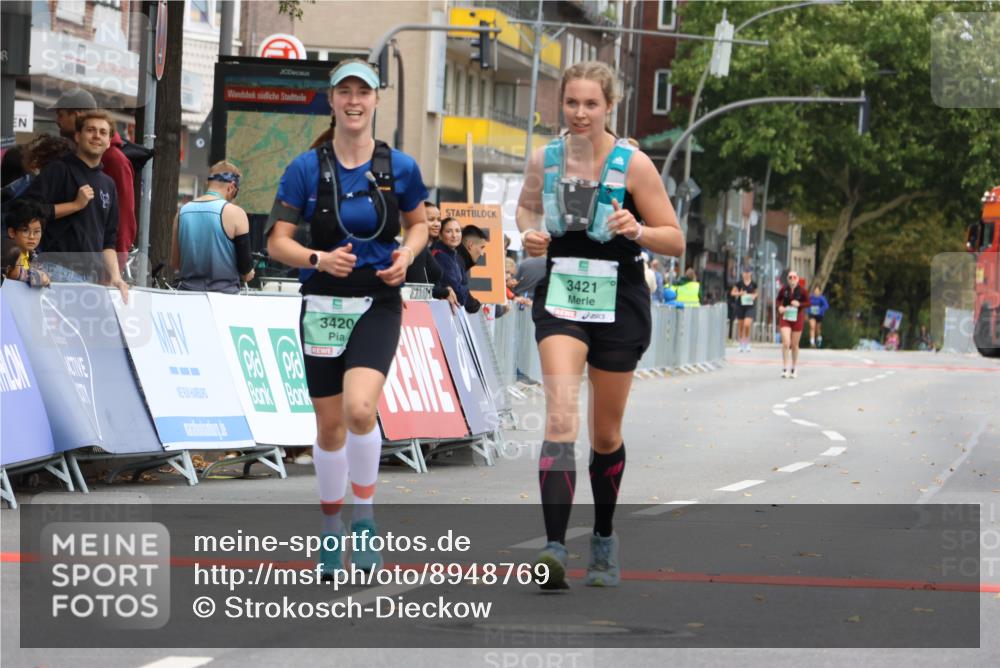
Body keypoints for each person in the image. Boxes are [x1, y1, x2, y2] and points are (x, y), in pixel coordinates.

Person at [516, 61, 684, 589]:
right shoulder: (545, 159)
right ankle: (554, 548)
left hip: (620, 300)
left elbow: (674, 238)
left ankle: (605, 539)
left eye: (591, 104)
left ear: (609, 106)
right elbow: (524, 211)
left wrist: (638, 228)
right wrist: (530, 236)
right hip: (563, 294)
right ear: (560, 105)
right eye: (572, 103)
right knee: (561, 421)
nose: (581, 113)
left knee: (605, 433)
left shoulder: (633, 165)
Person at [265, 59, 428, 577]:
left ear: (376, 100)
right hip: (322, 304)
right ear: (331, 102)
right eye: (345, 93)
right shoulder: (305, 168)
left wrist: (406, 255)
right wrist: (318, 260)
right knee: (330, 426)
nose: (354, 102)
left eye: (364, 92)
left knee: (361, 410)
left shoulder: (399, 167)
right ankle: (331, 527)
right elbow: (277, 242)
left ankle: (364, 520)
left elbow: (419, 224)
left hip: (377, 302)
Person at [23, 110, 128, 301]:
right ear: (78, 136)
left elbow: (109, 241)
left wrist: (116, 277)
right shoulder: (58, 170)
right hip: (55, 270)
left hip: (91, 279)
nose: (97, 136)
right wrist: (74, 205)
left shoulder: (108, 184)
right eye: (91, 130)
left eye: (103, 132)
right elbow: (27, 210)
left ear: (109, 141)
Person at [50, 88, 137, 267]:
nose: (57, 121)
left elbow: (123, 218)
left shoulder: (114, 159)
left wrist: (114, 268)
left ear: (77, 115)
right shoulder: (67, 161)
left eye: (61, 114)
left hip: (93, 269)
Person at [169, 161, 254, 294]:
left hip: (187, 296)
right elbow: (246, 272)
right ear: (231, 187)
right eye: (236, 193)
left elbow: (175, 263)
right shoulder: (236, 213)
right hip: (225, 299)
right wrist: (250, 272)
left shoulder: (182, 212)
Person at [432, 218, 483, 314]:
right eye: (448, 231)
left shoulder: (454, 256)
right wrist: (463, 289)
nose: (454, 235)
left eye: (457, 231)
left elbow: (462, 286)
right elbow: (459, 294)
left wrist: (462, 288)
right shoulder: (440, 256)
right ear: (440, 235)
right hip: (440, 312)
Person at [4, 199, 50, 287]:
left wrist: (43, 277)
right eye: (25, 231)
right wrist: (38, 277)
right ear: (12, 232)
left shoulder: (33, 257)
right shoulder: (7, 251)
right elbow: (14, 274)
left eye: (37, 232)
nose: (32, 237)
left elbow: (46, 279)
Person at [776, 271, 810, 378]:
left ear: (798, 279)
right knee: (786, 343)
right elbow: (778, 299)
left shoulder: (802, 290)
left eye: (794, 277)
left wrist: (799, 304)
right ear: (787, 279)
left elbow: (808, 302)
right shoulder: (784, 289)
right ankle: (785, 368)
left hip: (797, 318)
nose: (792, 279)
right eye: (790, 277)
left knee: (795, 345)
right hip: (785, 317)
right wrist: (779, 307)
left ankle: (794, 368)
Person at [730, 269, 758, 352]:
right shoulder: (739, 283)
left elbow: (756, 293)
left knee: (747, 324)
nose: (746, 274)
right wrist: (739, 293)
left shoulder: (753, 284)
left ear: (750, 273)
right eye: (745, 273)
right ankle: (741, 344)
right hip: (740, 306)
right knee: (741, 326)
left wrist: (754, 296)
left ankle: (747, 342)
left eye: (748, 272)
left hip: (750, 306)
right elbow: (732, 293)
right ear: (742, 274)